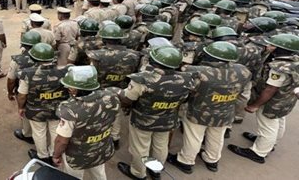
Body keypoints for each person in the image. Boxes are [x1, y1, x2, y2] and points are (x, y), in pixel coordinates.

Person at [167, 42, 251, 174]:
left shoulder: (198, 71)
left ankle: (185, 161)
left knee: (194, 137)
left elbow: (184, 77)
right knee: (217, 136)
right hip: (226, 110)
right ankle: (212, 160)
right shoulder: (243, 70)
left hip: (200, 111)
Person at [117, 46, 194, 180]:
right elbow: (186, 98)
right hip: (168, 119)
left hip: (143, 120)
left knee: (140, 147)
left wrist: (119, 93)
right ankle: (156, 170)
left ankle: (138, 173)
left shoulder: (142, 79)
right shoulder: (187, 79)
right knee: (160, 145)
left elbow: (127, 99)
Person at [228, 34, 299, 164]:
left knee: (268, 125)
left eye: (272, 45)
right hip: (287, 99)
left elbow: (270, 89)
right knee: (278, 121)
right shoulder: (294, 60)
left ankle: (258, 152)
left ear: (280, 49)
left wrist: (255, 105)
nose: (268, 46)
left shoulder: (279, 68)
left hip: (273, 102)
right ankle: (269, 143)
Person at [53, 65, 120, 180]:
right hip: (101, 148)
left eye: (70, 86)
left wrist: (56, 155)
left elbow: (62, 140)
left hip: (78, 155)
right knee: (99, 174)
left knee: (73, 177)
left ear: (76, 88)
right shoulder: (111, 96)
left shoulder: (70, 109)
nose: (68, 88)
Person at [17, 43, 68, 164]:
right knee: (55, 130)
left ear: (33, 58)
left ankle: (42, 157)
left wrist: (20, 107)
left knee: (39, 133)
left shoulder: (27, 73)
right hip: (57, 110)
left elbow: (22, 95)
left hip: (36, 111)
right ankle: (53, 154)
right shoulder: (65, 71)